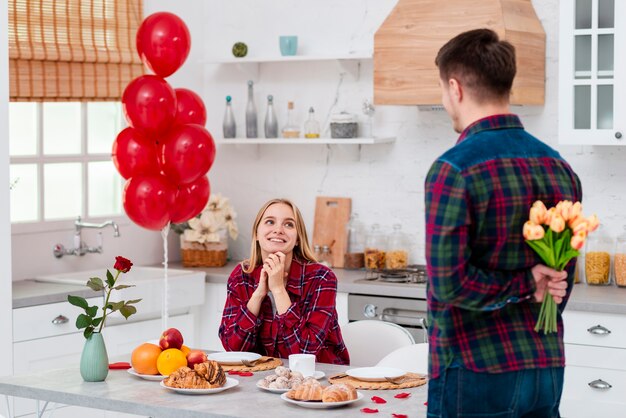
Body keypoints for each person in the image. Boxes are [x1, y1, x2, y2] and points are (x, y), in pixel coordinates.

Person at [425, 29, 582, 417]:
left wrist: (525, 283)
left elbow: (449, 284)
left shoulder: (454, 169)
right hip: (544, 365)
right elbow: (562, 279)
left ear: (455, 87)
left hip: (474, 369)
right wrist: (534, 286)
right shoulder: (561, 169)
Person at [219, 198, 350, 365]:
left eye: (288, 224)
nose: (278, 230)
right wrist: (259, 294)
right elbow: (233, 349)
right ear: (257, 234)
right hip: (264, 380)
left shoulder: (322, 278)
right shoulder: (241, 275)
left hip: (320, 380)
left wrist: (279, 289)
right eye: (270, 222)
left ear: (297, 239)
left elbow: (305, 353)